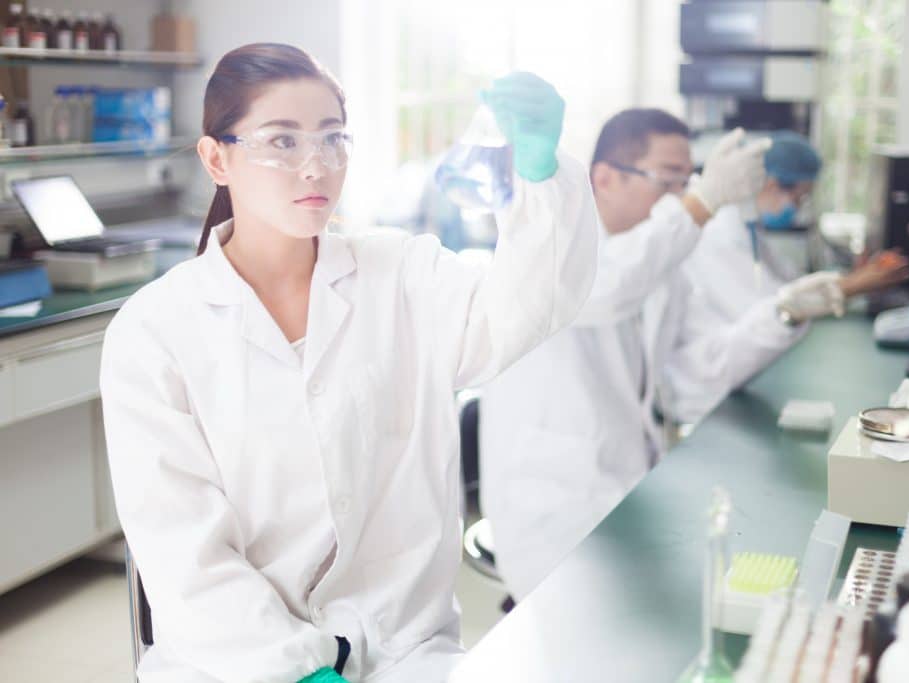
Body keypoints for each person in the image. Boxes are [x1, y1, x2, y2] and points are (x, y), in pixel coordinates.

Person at [99, 44, 598, 683]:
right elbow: (182, 553)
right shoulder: (154, 331)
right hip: (232, 664)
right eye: (282, 142)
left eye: (333, 140)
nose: (316, 166)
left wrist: (542, 172)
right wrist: (298, 671)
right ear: (216, 158)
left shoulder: (402, 275)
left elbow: (528, 310)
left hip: (405, 652)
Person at [479, 110, 908, 602]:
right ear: (605, 178)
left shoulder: (662, 264)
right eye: (668, 180)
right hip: (553, 511)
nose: (680, 195)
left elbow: (692, 379)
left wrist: (783, 313)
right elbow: (605, 289)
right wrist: (701, 202)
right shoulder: (554, 248)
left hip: (626, 494)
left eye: (688, 180)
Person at [666, 130, 909, 423]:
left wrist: (853, 280)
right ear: (770, 184)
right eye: (798, 197)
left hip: (735, 373)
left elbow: (788, 282)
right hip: (705, 390)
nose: (796, 208)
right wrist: (853, 285)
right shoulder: (719, 231)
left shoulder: (747, 226)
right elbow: (772, 306)